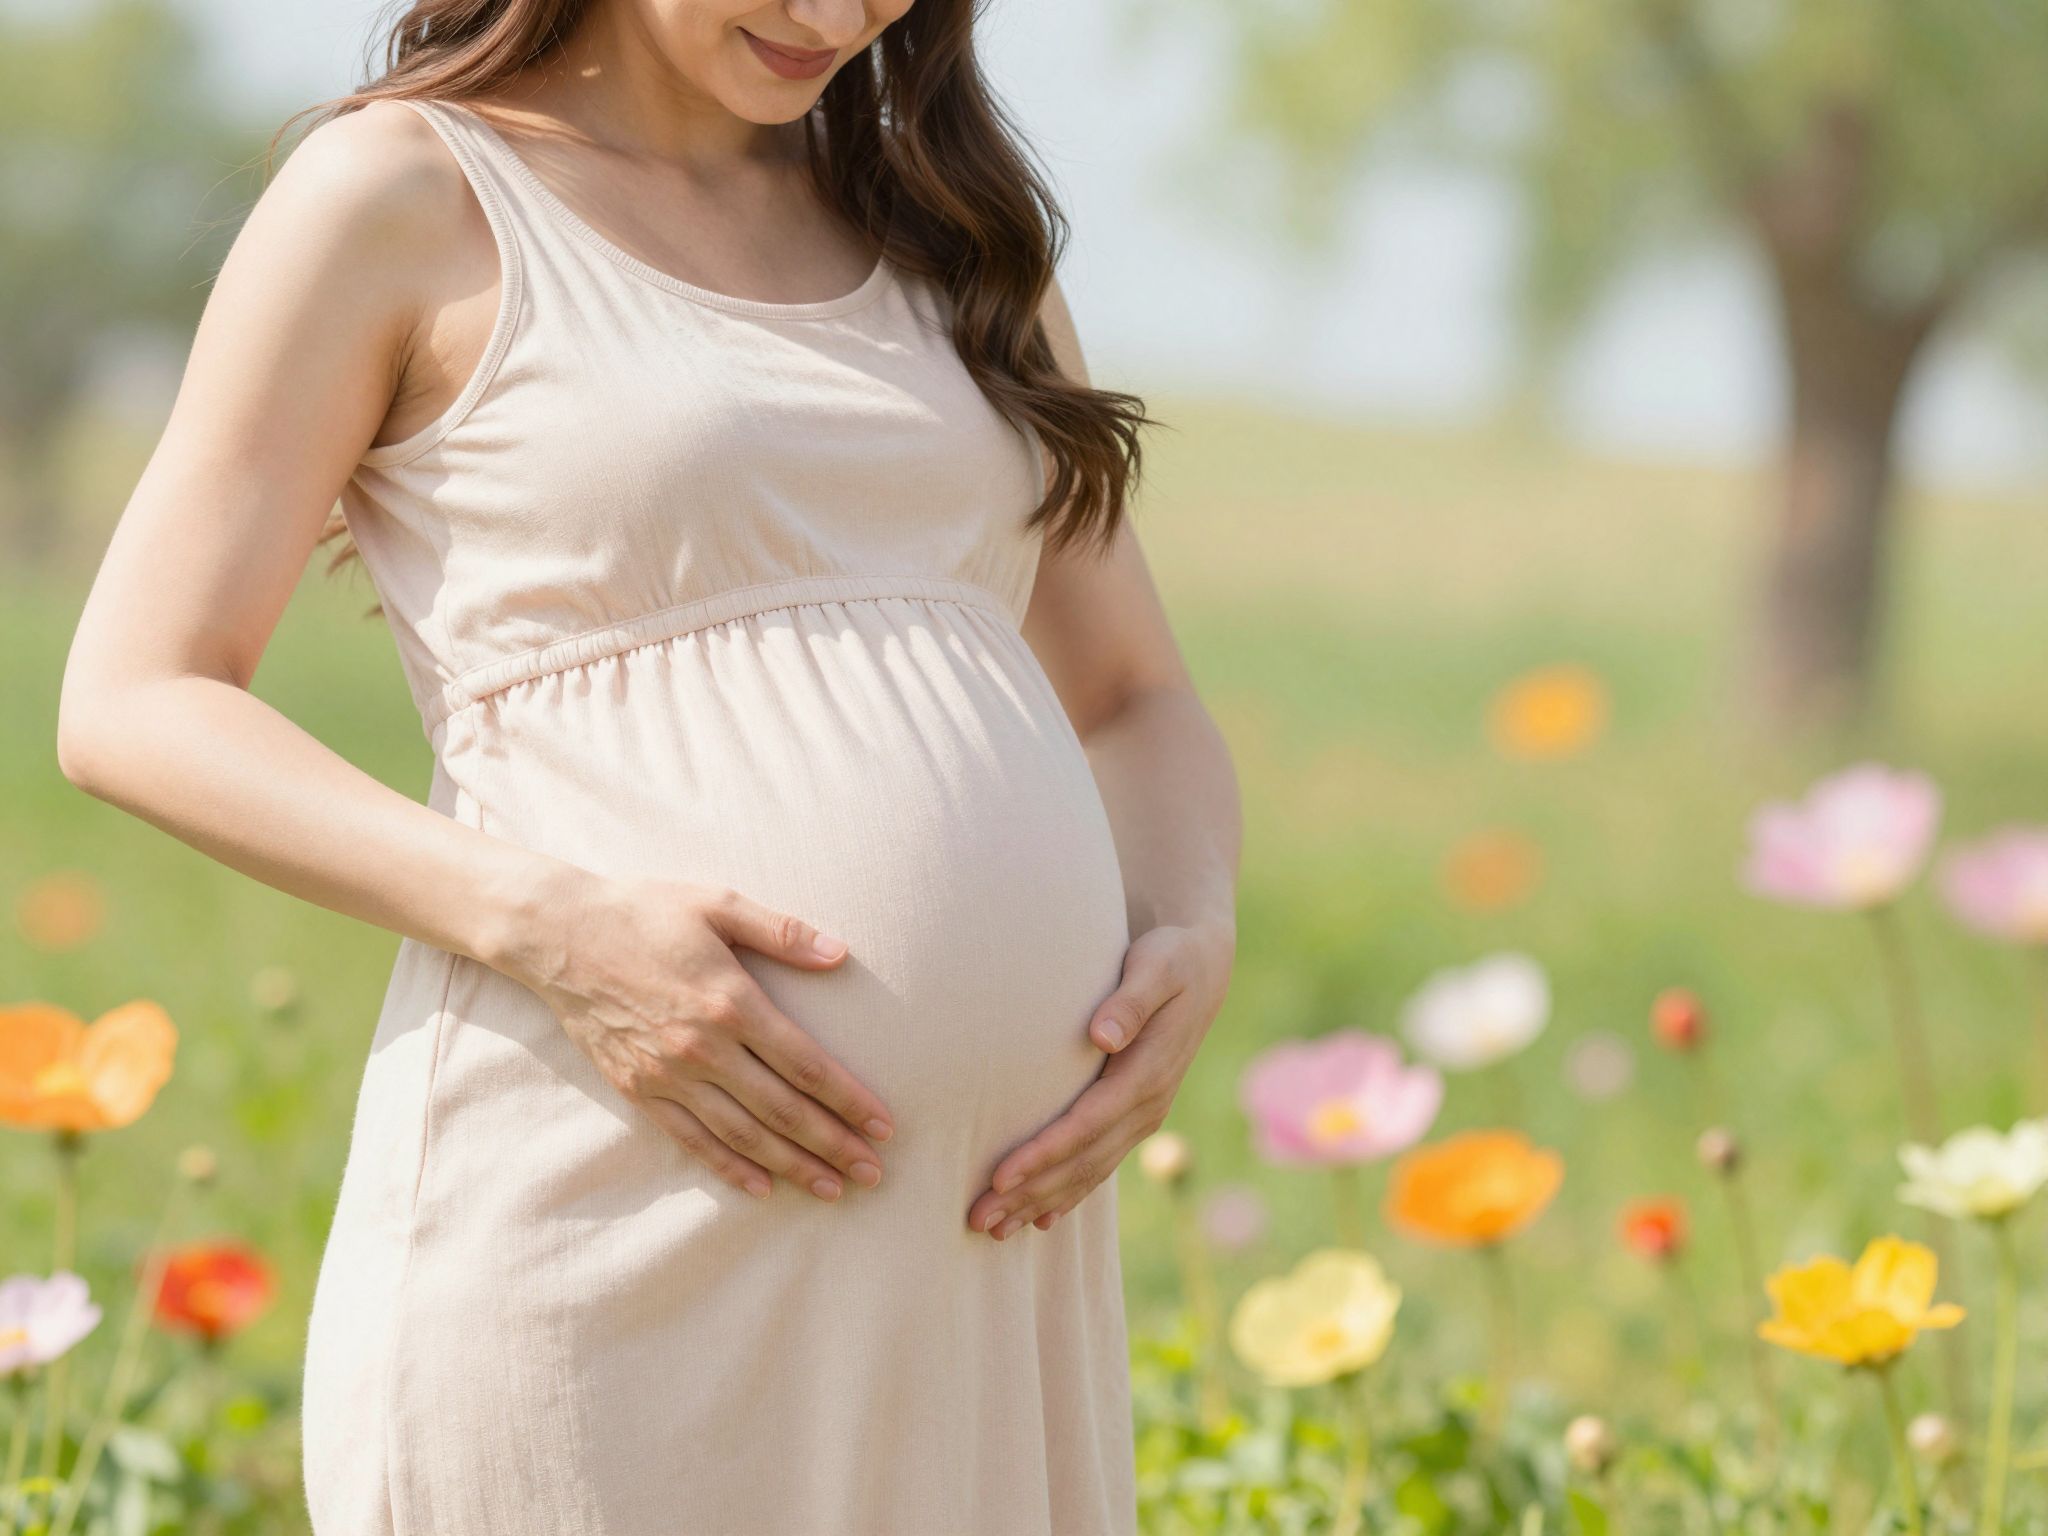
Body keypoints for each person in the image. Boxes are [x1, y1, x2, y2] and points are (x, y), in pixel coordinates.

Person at [57, 2, 1242, 1531]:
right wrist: (550, 925)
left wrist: (1191, 919)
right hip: (603, 1222)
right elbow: (135, 696)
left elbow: (1138, 694)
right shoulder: (406, 195)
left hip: (975, 1264)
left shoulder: (948, 231)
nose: (836, 16)